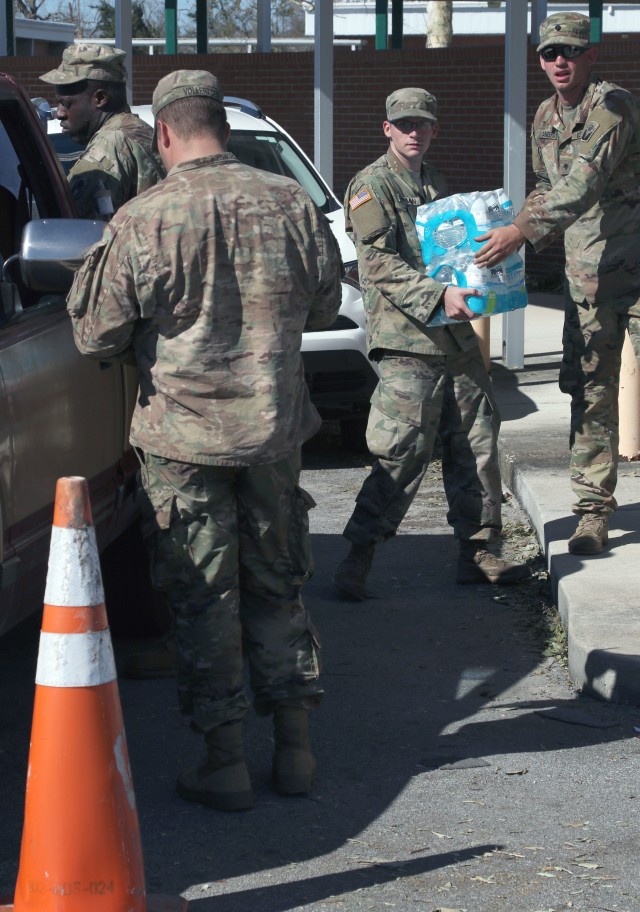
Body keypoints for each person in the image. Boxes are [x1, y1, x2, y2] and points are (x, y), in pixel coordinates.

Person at [66, 69, 342, 811]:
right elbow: (324, 302)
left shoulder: (144, 218)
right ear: (221, 122)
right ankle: (294, 748)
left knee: (204, 597)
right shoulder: (289, 202)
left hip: (184, 443)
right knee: (279, 584)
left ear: (161, 133)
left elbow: (97, 332)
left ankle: (225, 762)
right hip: (274, 433)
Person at [333, 88, 530, 601]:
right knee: (401, 451)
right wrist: (438, 293)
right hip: (407, 339)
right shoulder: (371, 186)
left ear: (435, 129)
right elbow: (375, 264)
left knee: (477, 441)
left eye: (422, 123)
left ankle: (480, 551)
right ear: (387, 129)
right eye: (403, 124)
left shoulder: (435, 182)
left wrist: (485, 278)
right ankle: (359, 554)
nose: (413, 131)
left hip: (454, 335)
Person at [474, 12, 640, 556]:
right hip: (586, 281)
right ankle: (592, 512)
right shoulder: (546, 116)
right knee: (590, 390)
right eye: (549, 53)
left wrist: (518, 234)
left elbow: (580, 185)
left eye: (569, 51)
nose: (559, 62)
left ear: (591, 55)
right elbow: (546, 187)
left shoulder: (612, 108)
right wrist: (503, 231)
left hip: (635, 272)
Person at [40, 43, 164, 220]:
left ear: (100, 98)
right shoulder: (139, 131)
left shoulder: (107, 148)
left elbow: (80, 234)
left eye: (66, 103)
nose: (59, 113)